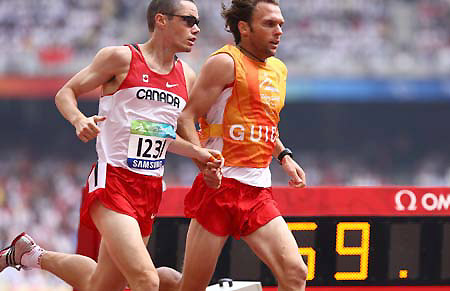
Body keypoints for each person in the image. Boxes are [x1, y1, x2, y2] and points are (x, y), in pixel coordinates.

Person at [0, 1, 222, 291]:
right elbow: (66, 93)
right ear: (161, 20)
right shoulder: (121, 58)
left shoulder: (187, 76)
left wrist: (204, 165)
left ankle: (29, 255)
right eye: (189, 20)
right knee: (146, 280)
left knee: (100, 285)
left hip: (150, 189)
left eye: (197, 22)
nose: (197, 29)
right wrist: (79, 120)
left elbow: (177, 131)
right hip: (112, 182)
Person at [175, 0, 308, 290]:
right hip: (219, 189)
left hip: (258, 191)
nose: (279, 32)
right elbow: (184, 119)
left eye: (281, 25)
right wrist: (203, 164)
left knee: (295, 273)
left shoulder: (279, 70)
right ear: (244, 28)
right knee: (191, 286)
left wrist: (284, 156)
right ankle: (147, 282)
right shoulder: (224, 63)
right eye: (269, 24)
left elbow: (263, 124)